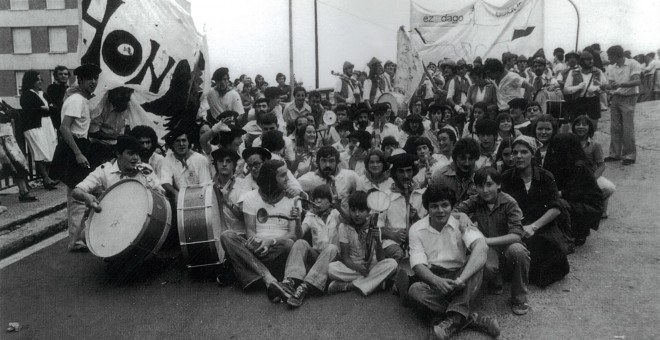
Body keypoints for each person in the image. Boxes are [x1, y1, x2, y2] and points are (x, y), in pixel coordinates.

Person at [403, 183, 499, 340]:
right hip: (434, 277)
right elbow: (418, 264)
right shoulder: (416, 229)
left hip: (460, 276)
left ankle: (452, 321)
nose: (440, 211)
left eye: (445, 205)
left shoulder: (461, 223)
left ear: (452, 206)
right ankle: (471, 318)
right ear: (427, 208)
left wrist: (462, 279)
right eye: (434, 206)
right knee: (415, 290)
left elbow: (481, 246)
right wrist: (436, 280)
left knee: (477, 264)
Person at [454, 167, 530, 315]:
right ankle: (496, 280)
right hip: (490, 249)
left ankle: (519, 297)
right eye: (480, 186)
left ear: (499, 184)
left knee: (519, 251)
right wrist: (462, 215)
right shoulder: (475, 200)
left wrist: (486, 240)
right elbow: (454, 211)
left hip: (508, 244)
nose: (485, 190)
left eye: (489, 185)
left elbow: (516, 235)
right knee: (486, 265)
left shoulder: (510, 203)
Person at [220, 159, 297, 302]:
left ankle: (251, 274)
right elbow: (250, 231)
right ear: (271, 179)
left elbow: (292, 235)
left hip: (276, 250)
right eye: (282, 175)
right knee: (227, 236)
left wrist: (271, 241)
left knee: (289, 245)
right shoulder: (251, 197)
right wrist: (257, 243)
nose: (287, 178)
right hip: (257, 248)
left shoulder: (290, 199)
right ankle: (270, 280)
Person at [500, 136, 570, 287]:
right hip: (516, 227)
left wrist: (534, 226)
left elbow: (555, 208)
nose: (518, 156)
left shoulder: (545, 177)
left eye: (524, 152)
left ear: (532, 154)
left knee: (551, 251)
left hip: (542, 225)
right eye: (515, 152)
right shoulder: (506, 177)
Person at [51, 63, 102, 252]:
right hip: (74, 147)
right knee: (77, 195)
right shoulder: (77, 100)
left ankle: (79, 237)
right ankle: (76, 241)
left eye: (95, 78)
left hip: (80, 144)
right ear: (80, 80)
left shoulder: (81, 99)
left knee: (82, 192)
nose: (93, 82)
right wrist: (78, 153)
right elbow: (64, 128)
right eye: (89, 79)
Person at [278, 185, 341, 307]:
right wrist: (297, 220)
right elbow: (299, 234)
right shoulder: (311, 216)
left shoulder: (335, 214)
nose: (318, 201)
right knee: (300, 243)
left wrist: (338, 204)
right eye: (316, 198)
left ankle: (305, 287)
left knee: (331, 248)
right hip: (317, 257)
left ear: (329, 201)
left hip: (334, 258)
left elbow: (346, 221)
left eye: (322, 198)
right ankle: (290, 281)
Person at [326, 191, 398, 296]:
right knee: (331, 268)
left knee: (392, 264)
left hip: (371, 265)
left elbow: (381, 258)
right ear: (349, 210)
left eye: (361, 210)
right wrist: (358, 268)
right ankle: (377, 283)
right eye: (353, 210)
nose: (357, 214)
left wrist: (378, 240)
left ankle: (349, 286)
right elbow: (345, 258)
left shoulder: (373, 225)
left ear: (368, 211)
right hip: (352, 266)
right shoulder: (344, 227)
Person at [72, 135, 164, 211]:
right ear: (118, 154)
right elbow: (76, 191)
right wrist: (86, 196)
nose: (136, 158)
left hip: (140, 214)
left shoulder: (145, 170)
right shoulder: (104, 170)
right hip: (113, 217)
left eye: (137, 154)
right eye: (131, 153)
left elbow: (161, 194)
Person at [543, 133, 603, 246]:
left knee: (559, 203)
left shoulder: (580, 166)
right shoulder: (556, 161)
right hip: (569, 199)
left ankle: (577, 232)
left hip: (586, 204)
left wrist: (559, 193)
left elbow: (580, 192)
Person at [377, 151, 426, 261]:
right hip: (392, 242)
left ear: (413, 172)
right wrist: (393, 235)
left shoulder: (421, 195)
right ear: (395, 174)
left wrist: (416, 218)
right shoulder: (385, 196)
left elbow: (429, 225)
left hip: (418, 240)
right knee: (398, 254)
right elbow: (374, 226)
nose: (405, 176)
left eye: (409, 171)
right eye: (401, 172)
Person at [602, 45, 642, 165]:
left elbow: (637, 81)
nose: (609, 58)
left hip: (629, 97)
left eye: (610, 56)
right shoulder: (612, 67)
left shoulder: (633, 63)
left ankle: (629, 155)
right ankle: (615, 154)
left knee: (627, 127)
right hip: (616, 97)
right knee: (615, 127)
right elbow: (611, 83)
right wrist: (607, 88)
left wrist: (619, 85)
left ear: (615, 55)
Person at [19, 70, 58, 189]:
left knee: (49, 150)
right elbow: (30, 110)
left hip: (46, 125)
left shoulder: (43, 94)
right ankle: (46, 179)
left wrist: (44, 108)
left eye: (41, 79)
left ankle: (48, 178)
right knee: (39, 151)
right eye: (37, 79)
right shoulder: (26, 95)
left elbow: (53, 109)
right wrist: (44, 109)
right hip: (34, 127)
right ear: (31, 81)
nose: (40, 81)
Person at [572, 115, 616, 219]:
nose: (581, 127)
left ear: (589, 128)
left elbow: (601, 165)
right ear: (573, 127)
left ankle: (601, 209)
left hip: (590, 175)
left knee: (609, 187)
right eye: (578, 124)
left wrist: (592, 179)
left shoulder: (595, 145)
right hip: (573, 176)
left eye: (584, 124)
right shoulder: (569, 142)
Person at [298, 146, 358, 217]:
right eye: (324, 160)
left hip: (342, 221)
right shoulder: (311, 178)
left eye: (331, 161)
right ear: (318, 162)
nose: (327, 165)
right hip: (317, 222)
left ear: (337, 162)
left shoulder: (350, 176)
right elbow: (291, 187)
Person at [87, 86, 135, 167]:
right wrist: (115, 137)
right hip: (99, 147)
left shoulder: (125, 107)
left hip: (116, 146)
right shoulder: (101, 109)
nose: (127, 97)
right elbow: (93, 132)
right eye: (123, 94)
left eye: (128, 94)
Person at [160, 129, 212, 199]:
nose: (181, 144)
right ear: (172, 143)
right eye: (177, 141)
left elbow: (205, 185)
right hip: (178, 199)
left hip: (198, 198)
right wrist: (176, 193)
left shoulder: (200, 159)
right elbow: (165, 181)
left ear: (188, 142)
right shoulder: (168, 159)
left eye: (184, 140)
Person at [210, 148, 247, 247]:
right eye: (220, 161)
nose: (224, 164)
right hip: (216, 236)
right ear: (216, 165)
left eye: (228, 161)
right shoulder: (209, 187)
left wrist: (226, 201)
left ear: (234, 165)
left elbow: (244, 216)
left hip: (239, 235)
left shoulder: (243, 185)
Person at [563, 51, 607, 126]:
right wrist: (577, 87)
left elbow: (605, 87)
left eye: (592, 59)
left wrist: (597, 88)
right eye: (588, 60)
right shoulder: (574, 72)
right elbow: (566, 90)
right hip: (578, 101)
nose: (591, 61)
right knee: (577, 125)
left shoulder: (598, 71)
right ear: (582, 61)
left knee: (593, 126)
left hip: (593, 101)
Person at [430, 138, 479, 203]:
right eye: (462, 158)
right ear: (455, 157)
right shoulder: (440, 177)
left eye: (471, 159)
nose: (467, 163)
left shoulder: (479, 175)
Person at [238, 146, 302, 196]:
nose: (253, 169)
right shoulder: (248, 179)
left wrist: (294, 191)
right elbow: (242, 201)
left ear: (266, 162)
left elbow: (297, 188)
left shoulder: (282, 171)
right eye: (250, 166)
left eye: (256, 164)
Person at [45, 65, 69, 131]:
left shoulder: (69, 89)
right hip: (57, 120)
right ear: (56, 76)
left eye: (66, 74)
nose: (63, 76)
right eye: (60, 74)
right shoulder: (52, 88)